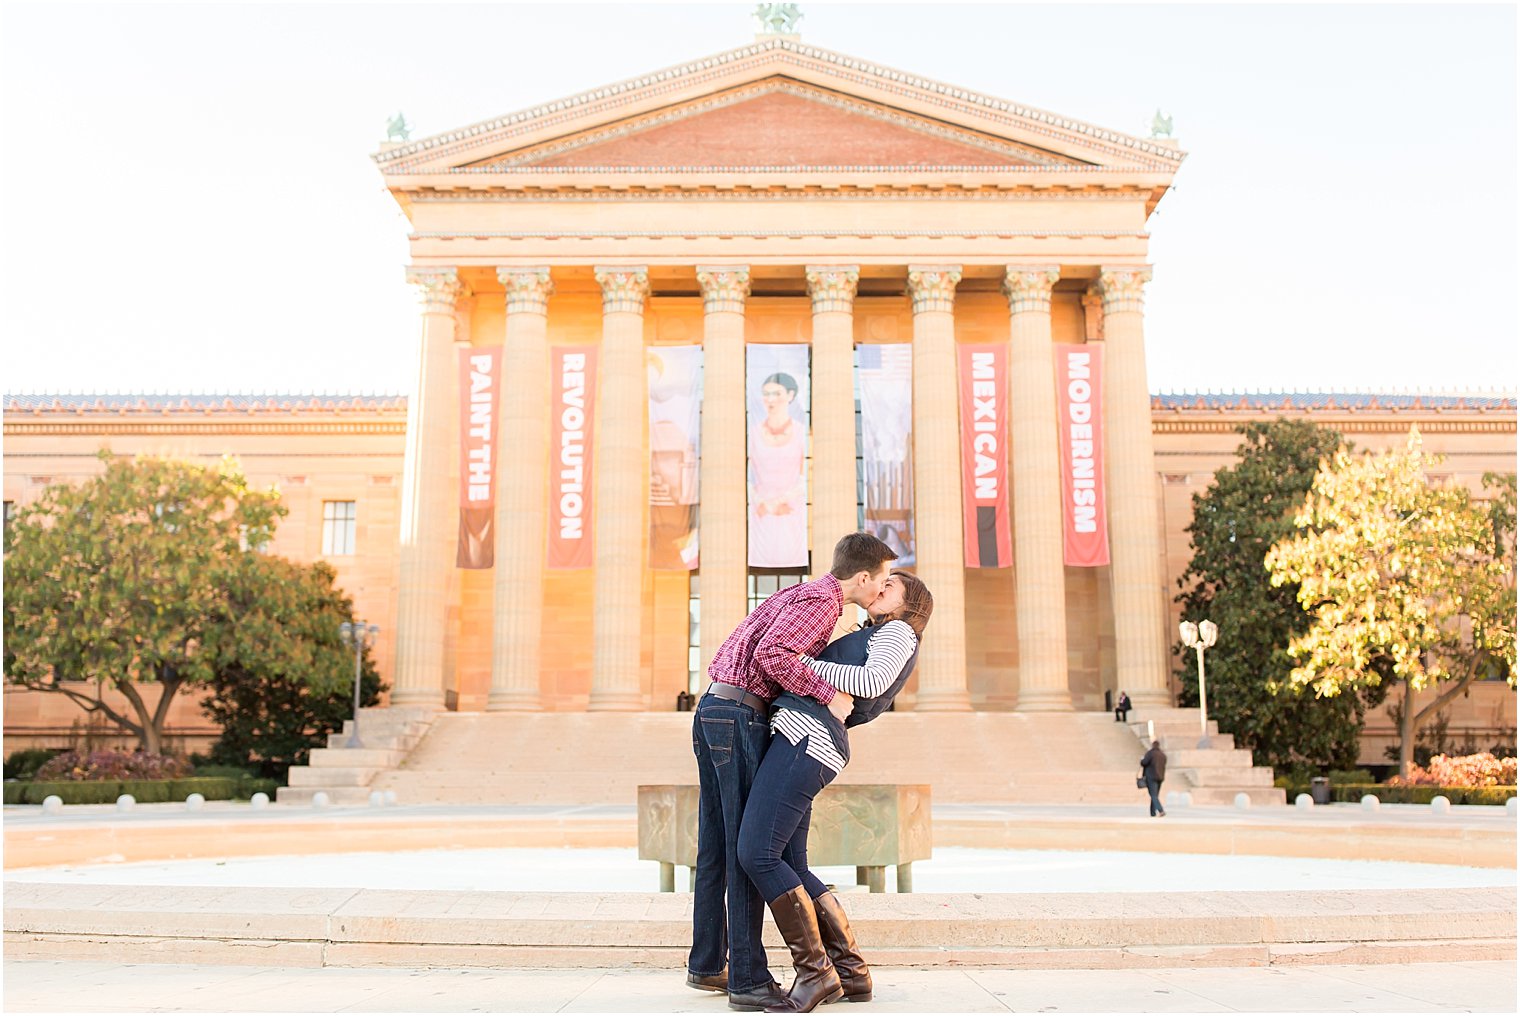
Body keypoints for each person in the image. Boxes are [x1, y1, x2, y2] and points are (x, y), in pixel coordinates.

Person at [687, 532, 897, 1011]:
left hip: (716, 708)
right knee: (749, 848)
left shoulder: (798, 593)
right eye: (881, 580)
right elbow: (774, 655)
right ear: (862, 577)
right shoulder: (824, 602)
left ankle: (706, 964)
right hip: (741, 715)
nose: (882, 590)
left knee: (717, 845)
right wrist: (829, 693)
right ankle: (749, 979)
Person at [737, 571, 934, 1013]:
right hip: (807, 737)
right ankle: (851, 972)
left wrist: (797, 662)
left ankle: (816, 974)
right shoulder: (875, 632)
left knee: (756, 853)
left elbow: (870, 683)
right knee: (791, 862)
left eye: (891, 587)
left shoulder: (900, 630)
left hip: (807, 739)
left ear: (910, 603)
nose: (881, 589)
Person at [748, 373, 807, 567]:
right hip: (761, 512)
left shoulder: (800, 432)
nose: (770, 399)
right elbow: (747, 477)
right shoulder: (753, 433)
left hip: (790, 512)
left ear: (790, 395)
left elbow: (804, 477)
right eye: (766, 394)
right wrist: (762, 502)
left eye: (776, 393)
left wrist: (779, 502)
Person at [1141, 739, 1167, 817]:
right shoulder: (1163, 755)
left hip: (1151, 777)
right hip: (1160, 777)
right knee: (1155, 795)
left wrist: (1142, 759)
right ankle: (1152, 813)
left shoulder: (1150, 754)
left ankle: (1160, 810)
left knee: (1153, 795)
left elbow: (1144, 762)